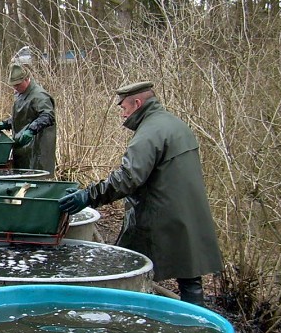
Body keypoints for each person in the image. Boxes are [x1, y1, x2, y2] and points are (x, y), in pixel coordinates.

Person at [58, 81, 224, 305]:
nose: (122, 114)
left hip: (160, 213)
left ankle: (132, 313)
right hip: (188, 210)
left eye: (124, 107)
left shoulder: (149, 132)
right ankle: (195, 321)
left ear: (137, 103)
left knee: (128, 265)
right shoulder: (174, 124)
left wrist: (88, 195)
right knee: (190, 275)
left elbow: (128, 178)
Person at [0, 61, 56, 175]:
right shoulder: (21, 93)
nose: (15, 88)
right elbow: (24, 116)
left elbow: (48, 116)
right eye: (13, 85)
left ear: (26, 79)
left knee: (36, 177)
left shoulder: (39, 95)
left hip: (38, 148)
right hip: (22, 146)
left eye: (18, 84)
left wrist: (31, 129)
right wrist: (6, 123)